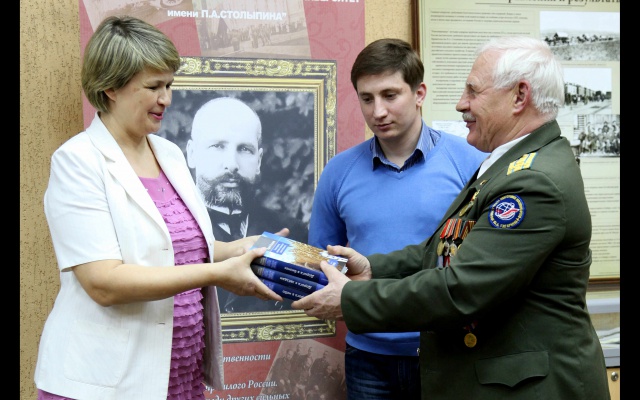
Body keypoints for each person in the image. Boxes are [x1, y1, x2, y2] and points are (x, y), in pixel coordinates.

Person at [293, 36, 611, 399]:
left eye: (473, 91)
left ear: (519, 97)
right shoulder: (509, 164)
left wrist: (352, 299)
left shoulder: (532, 180)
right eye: (367, 98)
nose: (461, 103)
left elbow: (460, 288)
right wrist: (373, 268)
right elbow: (447, 247)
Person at [33, 15, 284, 400]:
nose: (166, 98)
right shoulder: (77, 161)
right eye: (153, 87)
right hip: (106, 383)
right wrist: (217, 273)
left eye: (169, 85)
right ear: (110, 87)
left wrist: (241, 249)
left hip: (179, 374)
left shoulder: (169, 154)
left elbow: (175, 249)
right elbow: (103, 282)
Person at [307, 38, 486, 399]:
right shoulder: (339, 172)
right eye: (367, 98)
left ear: (419, 93)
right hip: (369, 356)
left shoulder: (470, 162)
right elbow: (322, 262)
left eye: (390, 95)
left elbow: (484, 262)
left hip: (451, 350)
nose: (378, 111)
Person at [186, 96, 308, 313]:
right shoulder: (168, 232)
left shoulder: (292, 231)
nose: (232, 164)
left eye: (244, 149)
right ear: (192, 154)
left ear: (258, 161)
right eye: (218, 146)